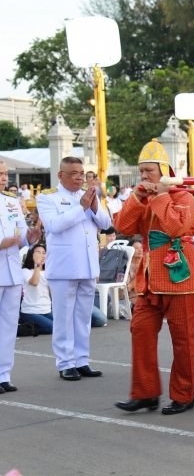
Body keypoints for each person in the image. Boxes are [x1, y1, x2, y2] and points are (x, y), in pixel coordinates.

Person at [114, 139, 194, 415]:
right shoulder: (145, 197)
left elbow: (177, 228)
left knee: (183, 340)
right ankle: (145, 393)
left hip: (181, 278)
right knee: (139, 331)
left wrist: (162, 195)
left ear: (164, 171)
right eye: (141, 172)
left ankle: (184, 395)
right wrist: (138, 198)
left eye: (149, 171)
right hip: (149, 280)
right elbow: (122, 226)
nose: (143, 177)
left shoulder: (184, 197)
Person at [37, 157, 110, 381]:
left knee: (82, 317)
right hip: (64, 267)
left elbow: (106, 224)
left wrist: (95, 207)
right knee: (63, 318)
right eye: (74, 173)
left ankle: (82, 360)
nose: (80, 177)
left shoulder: (87, 196)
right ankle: (65, 363)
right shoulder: (47, 197)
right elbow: (54, 225)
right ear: (61, 175)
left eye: (82, 173)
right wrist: (82, 208)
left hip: (88, 266)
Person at [0, 161, 41, 394]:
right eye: (0, 174)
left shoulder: (11, 201)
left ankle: (4, 375)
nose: (4, 178)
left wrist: (31, 237)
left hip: (12, 272)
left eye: (6, 174)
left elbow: (20, 236)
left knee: (8, 328)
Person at [20, 244, 108, 334]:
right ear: (31, 256)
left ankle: (34, 325)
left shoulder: (49, 271)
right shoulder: (25, 271)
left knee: (68, 326)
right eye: (38, 253)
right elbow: (34, 282)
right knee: (54, 328)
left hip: (46, 310)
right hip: (30, 311)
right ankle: (27, 328)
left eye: (44, 253)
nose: (41, 256)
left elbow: (53, 293)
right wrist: (37, 264)